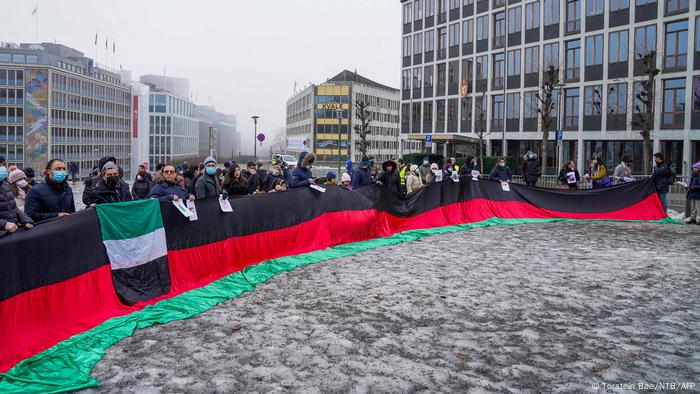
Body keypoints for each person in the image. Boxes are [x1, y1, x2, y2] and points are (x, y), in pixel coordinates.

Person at [0, 166, 33, 236]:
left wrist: (26, 220)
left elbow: (14, 208)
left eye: (2, 164)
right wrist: (3, 224)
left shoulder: (4, 187)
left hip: (12, 231)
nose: (2, 167)